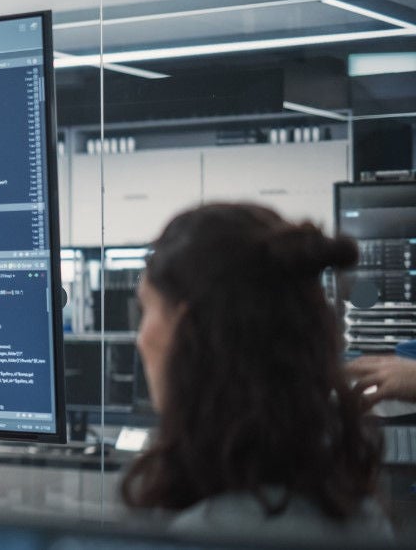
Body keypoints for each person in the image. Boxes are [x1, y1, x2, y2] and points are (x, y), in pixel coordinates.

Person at [122, 203, 391, 540]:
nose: (141, 339)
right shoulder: (361, 513)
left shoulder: (206, 534)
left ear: (188, 333)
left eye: (146, 309)